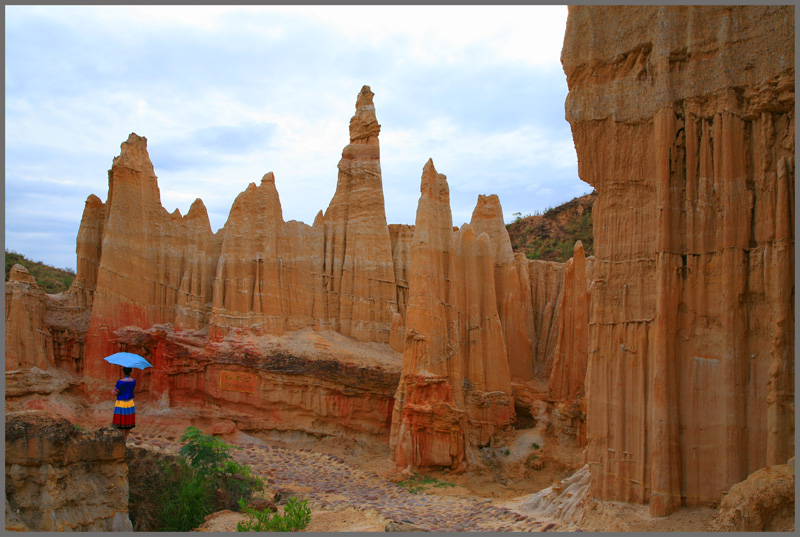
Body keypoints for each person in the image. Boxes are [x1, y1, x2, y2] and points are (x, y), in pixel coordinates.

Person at [112, 367, 136, 441]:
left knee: (121, 423)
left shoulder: (120, 382)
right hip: (130, 403)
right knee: (128, 422)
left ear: (123, 372)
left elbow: (115, 392)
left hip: (121, 403)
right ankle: (126, 438)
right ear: (130, 372)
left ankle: (121, 439)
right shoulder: (133, 381)